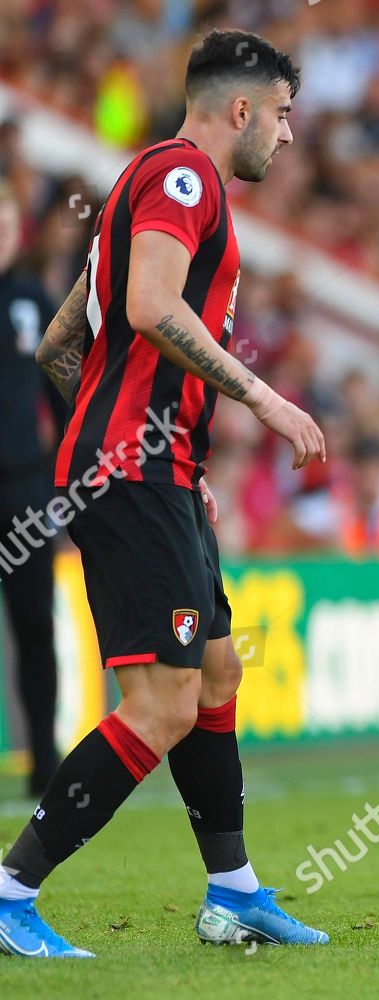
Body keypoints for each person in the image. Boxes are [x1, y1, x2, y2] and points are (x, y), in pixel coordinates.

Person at [1, 30, 327, 958]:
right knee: (162, 705)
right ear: (241, 110)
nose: (289, 136)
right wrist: (259, 396)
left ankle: (233, 894)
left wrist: (160, 442)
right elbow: (147, 306)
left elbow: (62, 342)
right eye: (283, 115)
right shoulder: (185, 180)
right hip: (133, 476)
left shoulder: (146, 180)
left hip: (155, 469)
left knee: (217, 672)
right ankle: (9, 888)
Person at [0, 178, 63, 797]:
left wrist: (70, 483)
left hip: (23, 491)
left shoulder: (31, 300)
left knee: (34, 626)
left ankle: (44, 760)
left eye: (5, 219)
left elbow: (62, 395)